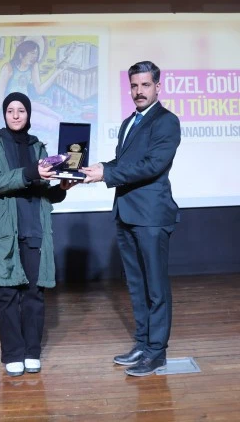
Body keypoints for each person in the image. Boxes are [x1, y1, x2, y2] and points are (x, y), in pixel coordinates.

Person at [80, 61, 181, 377]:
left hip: (151, 216)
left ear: (158, 87)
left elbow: (152, 165)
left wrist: (106, 174)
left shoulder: (166, 121)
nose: (139, 91)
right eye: (134, 85)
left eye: (145, 85)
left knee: (156, 288)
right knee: (137, 286)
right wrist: (97, 168)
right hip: (126, 213)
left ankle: (157, 352)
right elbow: (125, 163)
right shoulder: (128, 123)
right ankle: (143, 344)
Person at [0, 91, 77, 377]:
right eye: (10, 111)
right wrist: (31, 172)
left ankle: (32, 352)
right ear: (4, 114)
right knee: (6, 295)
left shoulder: (37, 147)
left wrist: (61, 189)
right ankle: (13, 354)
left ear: (28, 114)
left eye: (21, 110)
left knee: (34, 294)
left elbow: (43, 193)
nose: (16, 115)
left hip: (34, 227)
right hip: (3, 230)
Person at [0, 39, 72, 136]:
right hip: (12, 109)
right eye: (32, 53)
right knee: (52, 124)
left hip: (27, 103)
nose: (35, 57)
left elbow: (39, 90)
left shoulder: (33, 66)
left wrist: (57, 72)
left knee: (58, 116)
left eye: (36, 54)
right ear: (21, 54)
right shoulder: (8, 68)